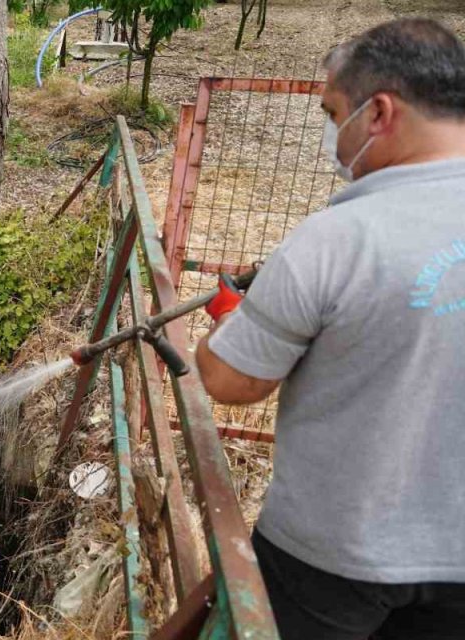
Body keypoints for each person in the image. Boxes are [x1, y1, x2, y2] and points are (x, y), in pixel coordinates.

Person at [195, 17, 465, 640]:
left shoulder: (339, 239)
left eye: (331, 111)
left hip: (334, 553)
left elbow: (234, 382)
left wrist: (230, 319)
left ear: (378, 114)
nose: (330, 133)